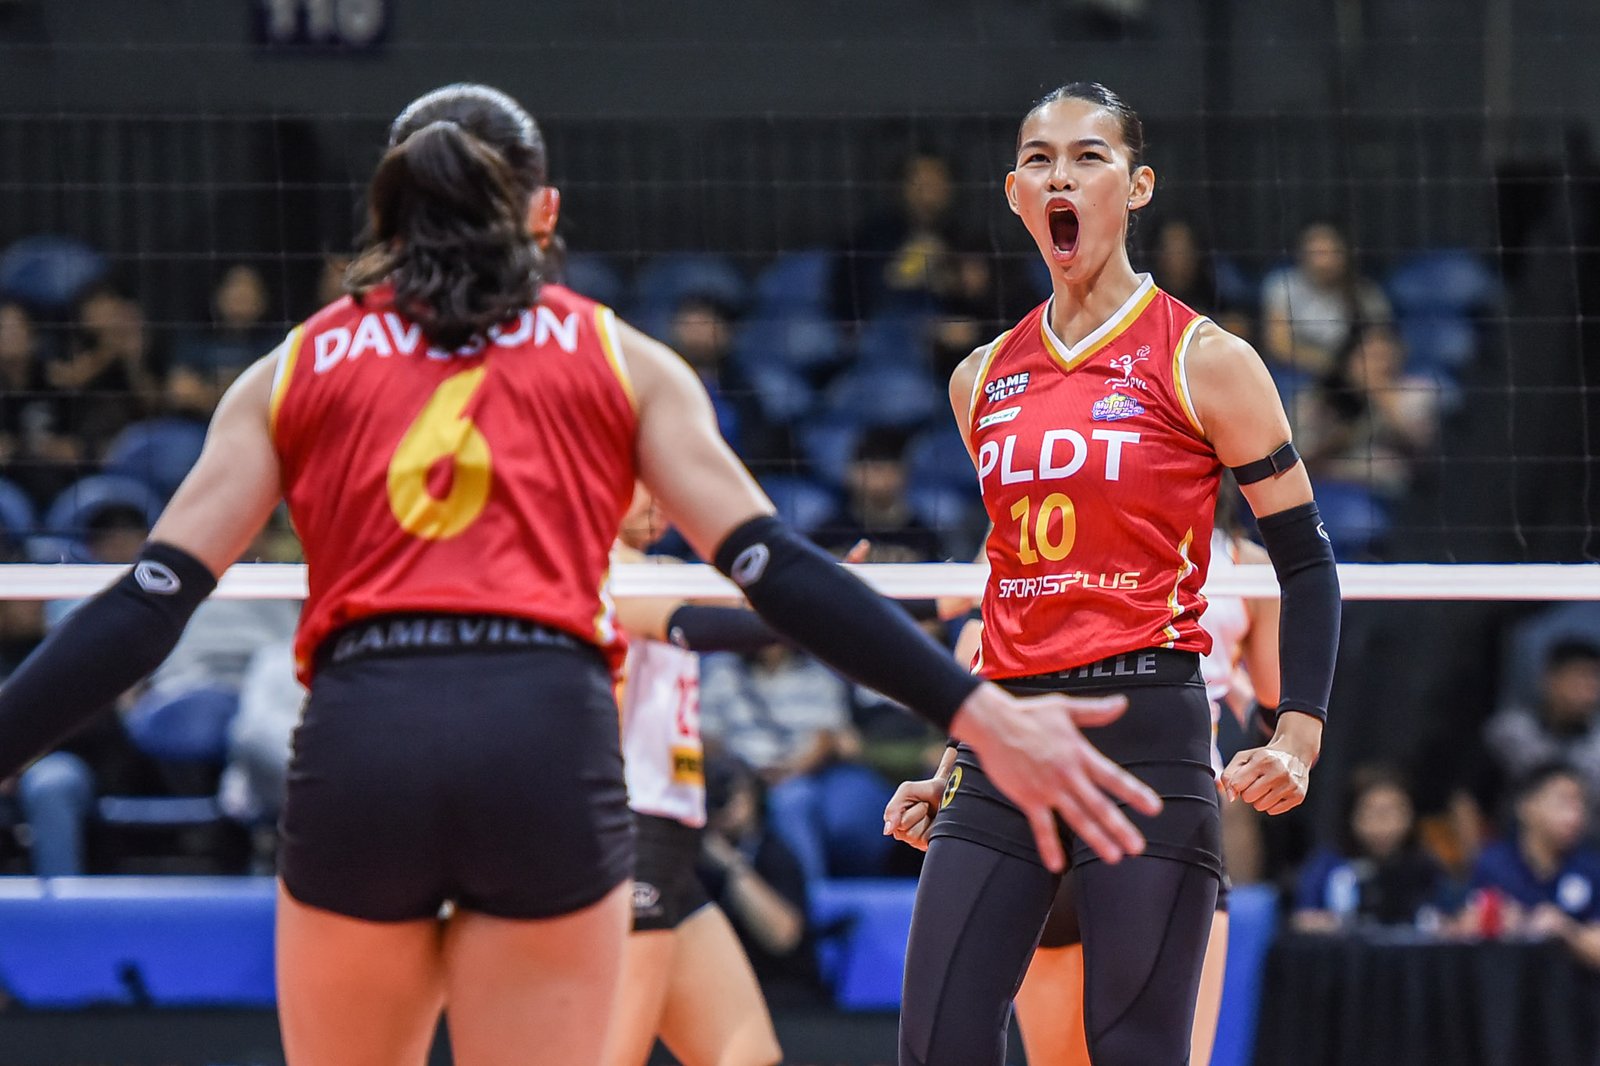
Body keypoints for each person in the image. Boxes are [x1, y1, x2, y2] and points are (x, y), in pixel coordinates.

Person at [0, 83, 1159, 1066]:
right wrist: (975, 710)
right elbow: (774, 570)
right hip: (542, 755)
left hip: (365, 748)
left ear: (386, 213)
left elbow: (148, 603)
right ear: (545, 213)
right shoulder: (619, 356)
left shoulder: (296, 364)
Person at [880, 84, 1340, 1066]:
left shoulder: (1205, 359)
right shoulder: (980, 378)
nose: (1061, 174)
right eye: (1039, 158)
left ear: (1134, 188)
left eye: (1087, 157)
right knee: (934, 1047)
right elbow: (1015, 591)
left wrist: (1295, 731)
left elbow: (1304, 559)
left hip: (1148, 736)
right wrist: (957, 758)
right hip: (1007, 741)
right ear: (1013, 193)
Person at [888, 493, 1283, 1066]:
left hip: (1032, 804)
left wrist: (952, 769)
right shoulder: (1249, 569)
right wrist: (1266, 719)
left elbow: (977, 649)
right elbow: (1273, 699)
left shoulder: (1045, 516)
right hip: (1158, 806)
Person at [605, 485, 791, 1066]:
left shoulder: (656, 570)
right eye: (643, 485)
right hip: (624, 832)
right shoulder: (598, 571)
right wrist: (819, 615)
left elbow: (762, 603)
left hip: (669, 835)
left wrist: (832, 595)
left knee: (746, 1055)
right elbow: (715, 626)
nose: (661, 500)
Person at [1465, 762, 1600, 969]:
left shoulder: (1591, 867)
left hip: (1575, 992)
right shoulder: (1493, 864)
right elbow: (1467, 928)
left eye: (1580, 804)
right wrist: (1506, 924)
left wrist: (1566, 931)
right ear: (1526, 807)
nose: (1575, 815)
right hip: (1511, 987)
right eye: (1563, 803)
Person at [1292, 764, 1449, 932]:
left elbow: (1448, 918)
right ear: (1352, 816)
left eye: (1391, 812)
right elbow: (1302, 918)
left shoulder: (1426, 867)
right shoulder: (1328, 864)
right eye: (1372, 812)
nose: (1382, 824)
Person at [1260, 220, 1391, 380]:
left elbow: (1381, 342)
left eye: (1330, 252)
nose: (1323, 262)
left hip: (1354, 379)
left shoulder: (1364, 293)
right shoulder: (1283, 285)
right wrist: (1333, 366)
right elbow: (1280, 346)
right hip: (1300, 374)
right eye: (1317, 252)